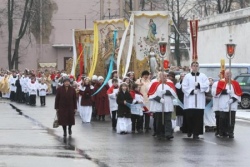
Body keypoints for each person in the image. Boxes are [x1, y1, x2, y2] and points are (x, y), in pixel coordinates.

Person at [182, 62, 209, 139]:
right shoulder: (187, 76)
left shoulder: (203, 76)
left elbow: (207, 85)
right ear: (191, 67)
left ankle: (196, 133)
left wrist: (200, 85)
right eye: (194, 66)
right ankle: (189, 131)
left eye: (196, 66)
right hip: (190, 101)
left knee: (198, 118)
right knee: (189, 117)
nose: (195, 67)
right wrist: (191, 91)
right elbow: (184, 87)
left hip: (199, 100)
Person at [213, 69, 242, 138]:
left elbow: (238, 93)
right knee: (223, 118)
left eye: (229, 73)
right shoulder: (221, 82)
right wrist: (224, 91)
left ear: (231, 74)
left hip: (232, 104)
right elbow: (216, 93)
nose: (228, 75)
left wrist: (233, 99)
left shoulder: (235, 83)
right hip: (223, 103)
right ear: (224, 74)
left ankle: (231, 132)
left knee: (231, 119)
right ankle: (222, 132)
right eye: (227, 73)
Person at [148, 72, 177, 140]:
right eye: (163, 76)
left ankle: (168, 134)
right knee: (159, 120)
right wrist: (159, 99)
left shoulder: (170, 84)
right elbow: (151, 95)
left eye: (165, 76)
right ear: (159, 77)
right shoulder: (155, 84)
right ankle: (159, 133)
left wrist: (167, 92)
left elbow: (174, 94)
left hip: (168, 104)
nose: (164, 77)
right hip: (159, 105)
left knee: (168, 120)